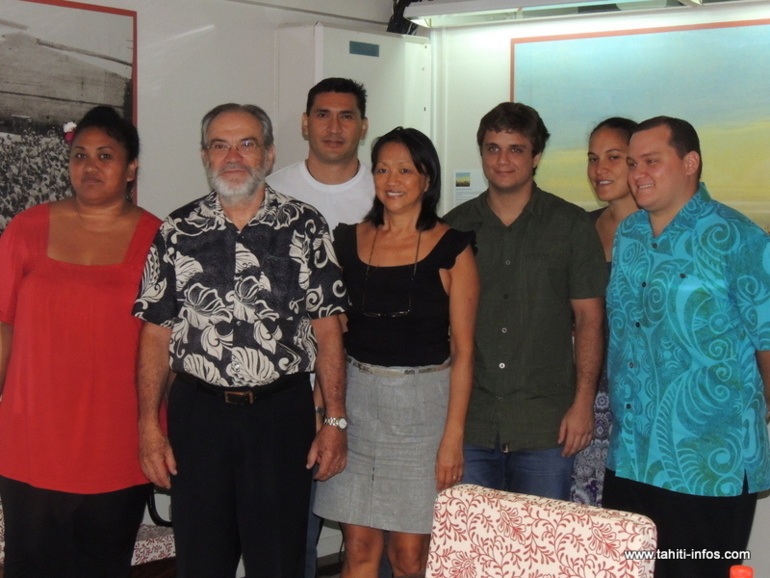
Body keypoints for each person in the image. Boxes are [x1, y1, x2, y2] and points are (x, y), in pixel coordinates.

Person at [133, 103, 349, 578]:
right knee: (201, 560)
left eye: (246, 144)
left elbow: (329, 328)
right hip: (199, 417)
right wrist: (149, 425)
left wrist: (334, 420)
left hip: (280, 416)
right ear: (205, 155)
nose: (233, 156)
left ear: (269, 155)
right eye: (220, 145)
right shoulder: (175, 231)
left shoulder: (305, 226)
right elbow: (155, 333)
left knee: (278, 560)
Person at [603, 116, 770, 578]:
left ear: (690, 162)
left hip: (706, 465)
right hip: (631, 458)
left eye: (652, 161)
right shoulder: (630, 235)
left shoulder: (740, 240)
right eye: (632, 162)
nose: (637, 174)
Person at [0, 106, 160, 578]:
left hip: (117, 442)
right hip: (33, 440)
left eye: (106, 156)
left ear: (131, 168)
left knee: (103, 566)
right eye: (80, 155)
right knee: (30, 566)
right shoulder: (26, 229)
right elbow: (3, 326)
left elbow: (167, 343)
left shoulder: (159, 238)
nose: (90, 167)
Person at [314, 127, 479, 577]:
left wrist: (452, 439)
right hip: (356, 404)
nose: (393, 179)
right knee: (359, 549)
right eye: (383, 168)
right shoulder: (346, 240)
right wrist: (325, 410)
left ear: (427, 178)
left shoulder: (453, 248)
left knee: (409, 556)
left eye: (406, 169)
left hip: (423, 411)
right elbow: (330, 334)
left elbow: (465, 352)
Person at [444, 102, 607, 501]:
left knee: (539, 555)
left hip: (545, 427)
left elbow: (589, 319)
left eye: (515, 149)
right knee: (475, 557)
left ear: (536, 157)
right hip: (471, 423)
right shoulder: (453, 227)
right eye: (492, 148)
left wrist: (583, 402)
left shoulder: (570, 225)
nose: (502, 160)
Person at [266, 77, 373, 578]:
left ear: (363, 127)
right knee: (294, 536)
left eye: (346, 115)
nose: (334, 127)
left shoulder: (387, 190)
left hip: (375, 385)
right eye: (323, 115)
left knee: (373, 535)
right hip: (293, 390)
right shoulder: (273, 192)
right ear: (305, 123)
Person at [571, 117, 639, 506]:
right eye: (593, 158)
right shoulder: (580, 227)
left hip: (640, 402)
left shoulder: (659, 231)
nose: (600, 170)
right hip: (584, 398)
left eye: (614, 157)